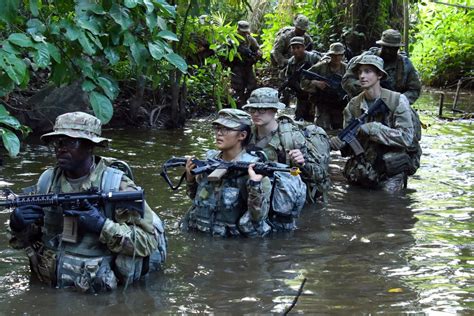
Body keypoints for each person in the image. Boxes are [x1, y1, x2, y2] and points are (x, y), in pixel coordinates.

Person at [8, 112, 166, 293]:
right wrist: (18, 226)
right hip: (49, 288)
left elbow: (147, 242)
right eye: (58, 142)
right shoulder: (47, 182)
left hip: (97, 296)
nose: (61, 148)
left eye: (70, 142)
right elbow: (29, 240)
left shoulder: (116, 186)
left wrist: (101, 226)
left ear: (90, 146)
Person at [330, 55, 418, 192]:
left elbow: (407, 138)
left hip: (391, 167)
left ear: (379, 75)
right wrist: (341, 144)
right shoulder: (353, 106)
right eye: (359, 72)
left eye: (368, 71)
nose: (362, 76)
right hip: (365, 166)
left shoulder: (397, 101)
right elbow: (351, 147)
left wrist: (374, 129)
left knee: (387, 202)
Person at [181, 109, 272, 237]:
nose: (219, 134)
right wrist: (190, 178)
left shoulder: (254, 170)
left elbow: (257, 218)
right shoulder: (210, 163)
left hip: (233, 244)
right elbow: (198, 200)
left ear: (242, 135)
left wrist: (255, 186)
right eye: (217, 128)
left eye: (225, 129)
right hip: (203, 235)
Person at [243, 87, 331, 204]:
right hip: (258, 192)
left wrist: (302, 164)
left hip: (289, 196)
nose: (256, 113)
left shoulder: (292, 138)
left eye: (262, 109)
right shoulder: (246, 134)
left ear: (274, 110)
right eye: (252, 109)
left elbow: (321, 176)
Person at [342, 29, 421, 104]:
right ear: (381, 45)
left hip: (393, 109)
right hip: (363, 104)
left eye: (392, 49)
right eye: (386, 47)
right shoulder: (365, 59)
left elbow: (415, 89)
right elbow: (347, 80)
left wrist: (397, 100)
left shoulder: (405, 65)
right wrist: (368, 89)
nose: (388, 51)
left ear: (398, 48)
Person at [301, 42, 348, 130]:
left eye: (339, 55)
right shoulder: (321, 67)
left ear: (343, 55)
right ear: (330, 55)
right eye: (334, 55)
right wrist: (315, 83)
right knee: (321, 130)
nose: (337, 58)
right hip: (323, 104)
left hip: (339, 105)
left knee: (340, 130)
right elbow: (303, 80)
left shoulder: (346, 69)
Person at [284, 36, 321, 122]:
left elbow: (325, 68)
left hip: (316, 93)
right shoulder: (291, 62)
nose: (296, 50)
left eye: (298, 47)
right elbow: (288, 76)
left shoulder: (313, 58)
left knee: (316, 120)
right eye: (293, 48)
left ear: (303, 47)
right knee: (298, 120)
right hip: (301, 95)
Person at [230, 21, 262, 108]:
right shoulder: (232, 39)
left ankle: (245, 101)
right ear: (238, 30)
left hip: (248, 66)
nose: (244, 33)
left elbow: (258, 49)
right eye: (242, 31)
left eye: (245, 31)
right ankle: (239, 105)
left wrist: (257, 54)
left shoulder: (250, 39)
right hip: (236, 66)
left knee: (252, 86)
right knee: (238, 87)